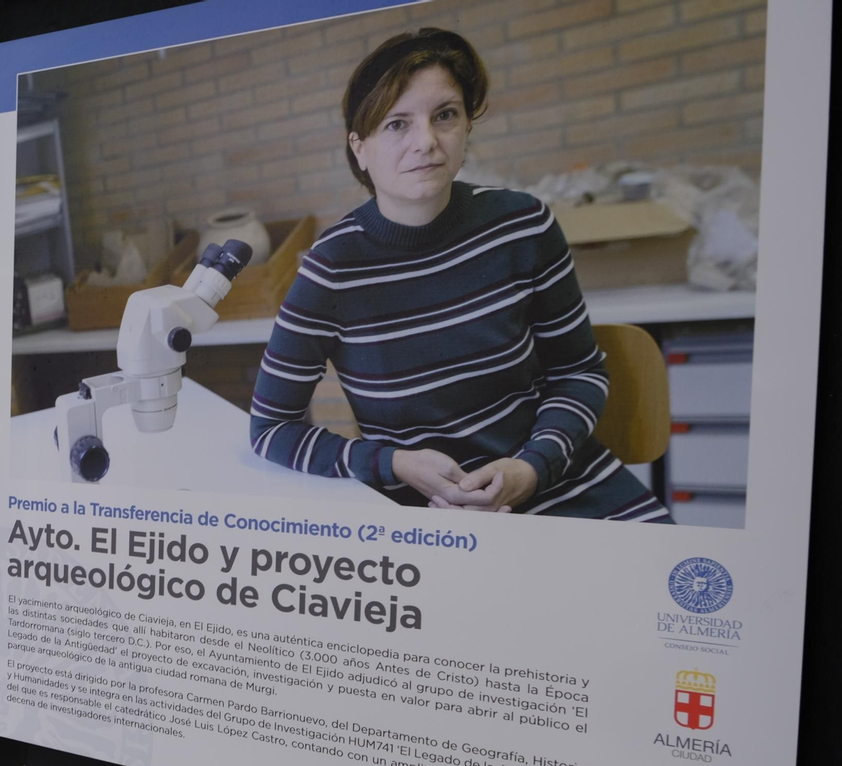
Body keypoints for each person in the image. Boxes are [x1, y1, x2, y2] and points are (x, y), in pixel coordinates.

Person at [248, 27, 671, 523]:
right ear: (359, 148)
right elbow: (271, 429)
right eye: (397, 124)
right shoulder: (332, 269)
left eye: (444, 115)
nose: (426, 142)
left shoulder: (523, 225)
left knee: (682, 592)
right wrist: (393, 464)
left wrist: (532, 467)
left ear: (467, 126)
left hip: (562, 482)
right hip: (428, 513)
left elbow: (578, 371)